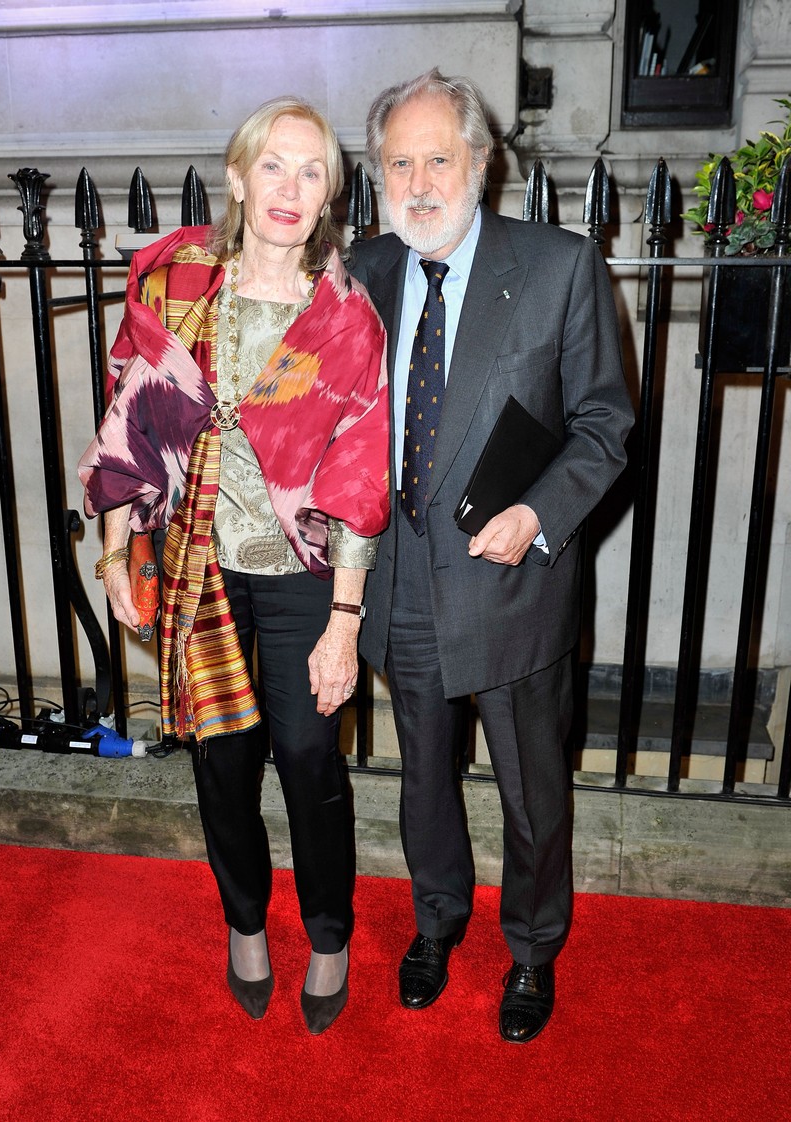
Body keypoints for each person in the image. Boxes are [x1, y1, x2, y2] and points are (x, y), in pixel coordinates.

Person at [79, 96, 390, 1036]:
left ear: (330, 194)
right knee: (221, 761)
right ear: (238, 176)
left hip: (300, 575)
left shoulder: (343, 319)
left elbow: (361, 475)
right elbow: (132, 418)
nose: (290, 187)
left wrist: (344, 624)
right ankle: (245, 924)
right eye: (274, 164)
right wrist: (116, 547)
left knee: (309, 758)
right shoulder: (174, 282)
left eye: (312, 171)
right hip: (196, 566)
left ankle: (328, 935)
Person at [348, 69, 633, 1043]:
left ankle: (532, 948)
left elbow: (603, 424)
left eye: (438, 158)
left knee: (530, 792)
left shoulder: (558, 267)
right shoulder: (364, 270)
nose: (419, 183)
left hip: (513, 583)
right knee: (422, 779)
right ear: (378, 174)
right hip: (401, 579)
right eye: (399, 163)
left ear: (480, 161)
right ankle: (435, 923)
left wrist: (537, 514)